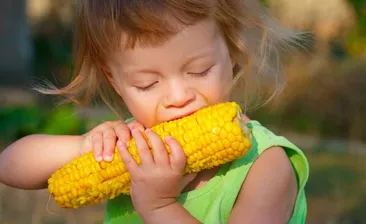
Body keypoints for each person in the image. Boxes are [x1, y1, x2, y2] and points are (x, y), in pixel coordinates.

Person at [0, 0, 309, 223]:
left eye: (199, 71)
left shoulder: (265, 165)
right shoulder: (135, 140)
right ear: (115, 81)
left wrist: (159, 207)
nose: (178, 97)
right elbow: (9, 167)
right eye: (147, 84)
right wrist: (82, 147)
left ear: (233, 52)